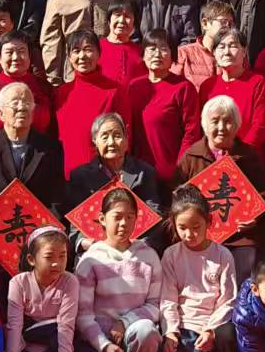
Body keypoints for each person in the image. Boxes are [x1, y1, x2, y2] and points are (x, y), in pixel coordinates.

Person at [142, 188, 238, 352]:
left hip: (205, 331)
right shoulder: (171, 255)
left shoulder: (222, 255)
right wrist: (171, 331)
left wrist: (210, 330)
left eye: (196, 227)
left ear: (208, 222)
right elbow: (168, 298)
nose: (189, 234)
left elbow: (228, 300)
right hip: (180, 330)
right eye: (182, 228)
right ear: (174, 225)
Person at [73, 187, 163, 352]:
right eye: (118, 217)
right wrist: (105, 346)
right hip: (103, 337)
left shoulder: (148, 255)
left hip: (135, 331)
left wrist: (124, 322)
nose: (124, 223)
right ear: (102, 219)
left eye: (130, 217)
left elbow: (155, 304)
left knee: (146, 331)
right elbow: (83, 315)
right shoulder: (90, 260)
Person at [173, 95, 265, 282]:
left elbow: (264, 194)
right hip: (199, 234)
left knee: (246, 266)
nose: (221, 127)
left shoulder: (249, 156)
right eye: (215, 121)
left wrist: (255, 217)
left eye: (228, 121)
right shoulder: (191, 157)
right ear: (205, 125)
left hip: (241, 236)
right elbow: (177, 197)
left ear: (237, 125)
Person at [0, 227, 85, 352]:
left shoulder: (70, 282)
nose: (57, 263)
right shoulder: (18, 283)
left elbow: (66, 325)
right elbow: (14, 326)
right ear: (31, 259)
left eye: (62, 256)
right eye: (49, 257)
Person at [0, 82, 65, 228]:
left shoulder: (50, 148)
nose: (22, 107)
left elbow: (56, 198)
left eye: (27, 103)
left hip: (39, 230)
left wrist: (45, 230)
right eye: (15, 103)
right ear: (1, 114)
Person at [64, 112, 166, 248]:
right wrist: (86, 243)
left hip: (136, 248)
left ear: (126, 139)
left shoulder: (144, 172)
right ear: (95, 142)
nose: (111, 142)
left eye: (117, 135)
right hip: (96, 249)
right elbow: (75, 226)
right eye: (105, 137)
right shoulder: (80, 176)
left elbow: (154, 216)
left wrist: (138, 245)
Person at [51, 30, 130, 178]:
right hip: (68, 177)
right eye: (76, 51)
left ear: (99, 54)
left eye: (88, 49)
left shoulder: (114, 91)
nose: (82, 56)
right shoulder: (62, 93)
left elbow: (126, 136)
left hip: (105, 176)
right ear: (69, 57)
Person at [127, 29, 199, 184]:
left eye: (163, 48)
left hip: (171, 173)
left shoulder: (183, 88)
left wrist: (180, 167)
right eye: (152, 48)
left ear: (172, 55)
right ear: (143, 54)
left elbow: (191, 132)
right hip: (136, 173)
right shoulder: (134, 86)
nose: (157, 54)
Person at [198, 28, 265, 163]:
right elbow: (203, 127)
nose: (227, 52)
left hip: (247, 160)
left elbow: (260, 127)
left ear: (244, 51)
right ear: (214, 53)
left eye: (233, 46)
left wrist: (236, 157)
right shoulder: (208, 86)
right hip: (212, 161)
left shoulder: (257, 83)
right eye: (221, 47)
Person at [40, 0, 115, 85]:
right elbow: (51, 45)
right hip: (71, 78)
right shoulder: (57, 2)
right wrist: (53, 81)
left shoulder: (111, 0)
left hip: (107, 76)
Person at [0, 29, 52, 137]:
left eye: (21, 51)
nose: (15, 57)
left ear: (29, 56)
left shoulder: (43, 87)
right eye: (9, 52)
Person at [172, 0, 234, 91]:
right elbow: (171, 90)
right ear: (205, 23)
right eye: (223, 21)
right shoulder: (183, 54)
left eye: (230, 23)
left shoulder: (235, 54)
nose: (227, 26)